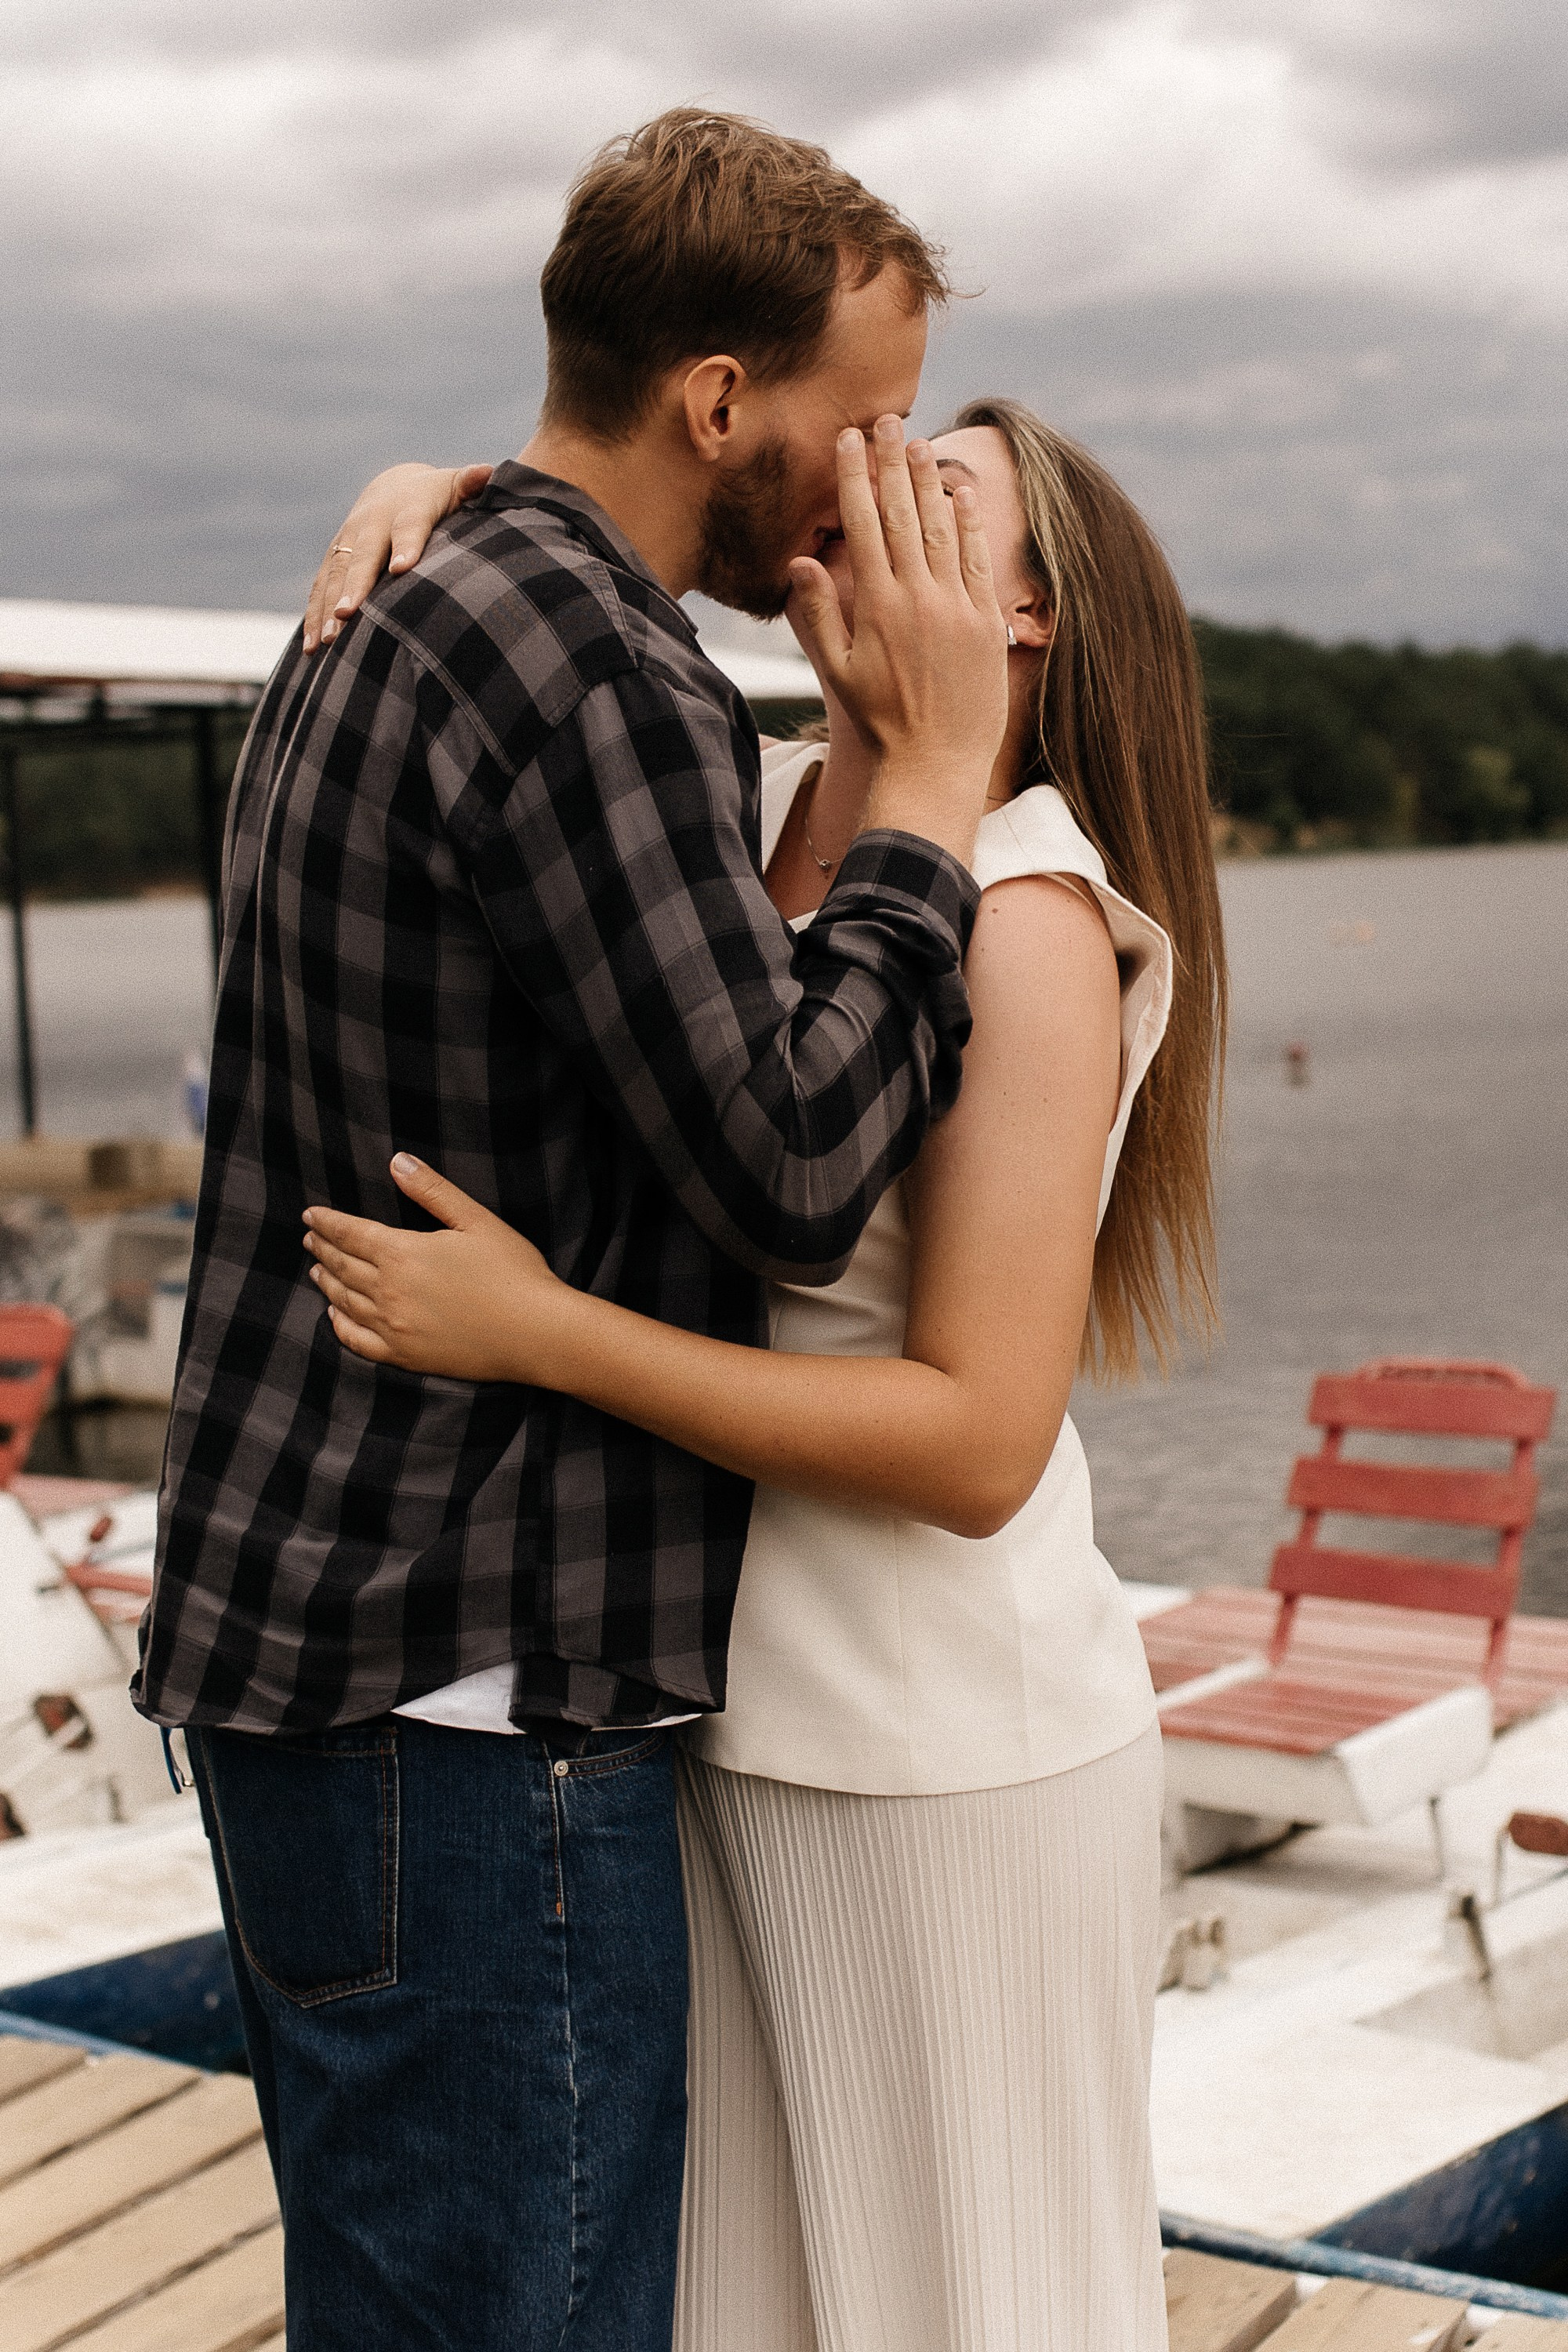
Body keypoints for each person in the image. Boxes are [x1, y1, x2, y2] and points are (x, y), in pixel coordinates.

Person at [133, 109, 1011, 2352]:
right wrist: (928, 793)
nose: (876, 483)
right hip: (464, 1687)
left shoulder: (413, 595)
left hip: (332, 1662)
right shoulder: (595, 668)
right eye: (863, 420)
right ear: (718, 397)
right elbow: (794, 1165)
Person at [303, 396, 1227, 2350]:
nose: (859, 480)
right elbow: (563, 601)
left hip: (938, 1753)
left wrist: (546, 1334)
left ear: (1026, 616)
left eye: (932, 486)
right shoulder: (737, 797)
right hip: (706, 1719)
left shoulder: (1028, 917)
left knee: (975, 2309)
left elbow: (979, 1441)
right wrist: (445, 498)